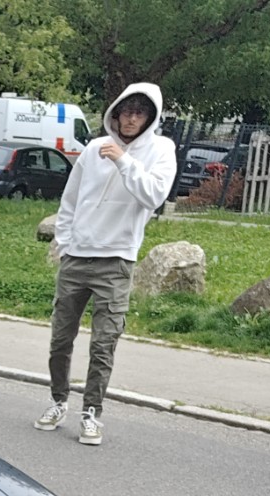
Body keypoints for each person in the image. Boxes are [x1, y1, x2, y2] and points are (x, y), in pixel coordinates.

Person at [34, 82, 177, 446]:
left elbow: (154, 195)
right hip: (77, 257)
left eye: (139, 113)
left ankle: (91, 413)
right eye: (126, 111)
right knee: (60, 338)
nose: (130, 119)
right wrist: (65, 243)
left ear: (150, 117)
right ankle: (58, 401)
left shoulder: (161, 150)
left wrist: (123, 160)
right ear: (115, 112)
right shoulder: (94, 148)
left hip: (116, 261)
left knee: (103, 343)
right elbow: (70, 200)